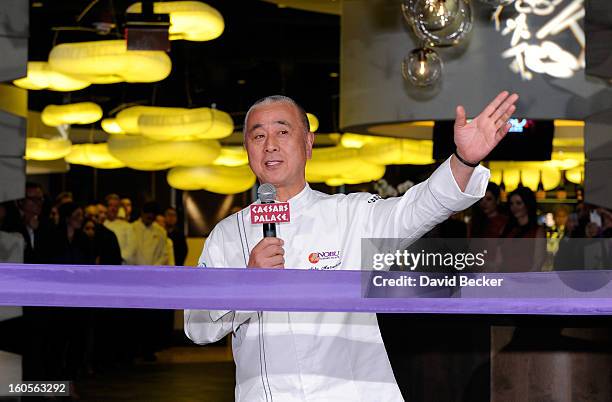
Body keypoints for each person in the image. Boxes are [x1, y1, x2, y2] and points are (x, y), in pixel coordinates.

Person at [184, 92, 518, 401]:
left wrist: (463, 160)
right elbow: (197, 326)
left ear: (308, 143)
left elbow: (419, 208)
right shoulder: (227, 235)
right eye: (258, 136)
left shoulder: (351, 214)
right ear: (247, 149)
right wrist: (246, 286)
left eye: (282, 132)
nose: (269, 145)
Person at [499, 186, 546, 271]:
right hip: (506, 279)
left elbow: (538, 263)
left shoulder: (537, 231)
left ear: (528, 204)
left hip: (527, 280)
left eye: (519, 203)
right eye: (511, 204)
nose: (514, 207)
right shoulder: (506, 229)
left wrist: (524, 281)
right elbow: (499, 260)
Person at [103, 194, 135, 264]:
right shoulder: (101, 225)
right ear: (105, 207)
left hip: (120, 265)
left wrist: (116, 258)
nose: (113, 209)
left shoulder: (127, 226)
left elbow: (131, 248)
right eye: (110, 205)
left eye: (116, 206)